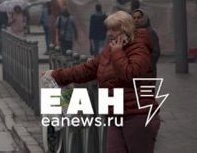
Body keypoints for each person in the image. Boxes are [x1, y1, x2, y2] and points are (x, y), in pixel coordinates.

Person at [44, 11, 160, 152]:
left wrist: (117, 52)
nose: (109, 33)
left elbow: (131, 73)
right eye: (108, 29)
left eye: (114, 29)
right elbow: (87, 69)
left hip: (137, 115)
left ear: (126, 30)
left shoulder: (139, 47)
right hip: (114, 114)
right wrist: (56, 74)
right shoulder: (110, 49)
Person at [132, 9, 160, 77]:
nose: (136, 20)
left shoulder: (150, 32)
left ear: (144, 18)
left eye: (139, 17)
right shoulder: (131, 32)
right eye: (134, 18)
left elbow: (156, 52)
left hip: (147, 70)